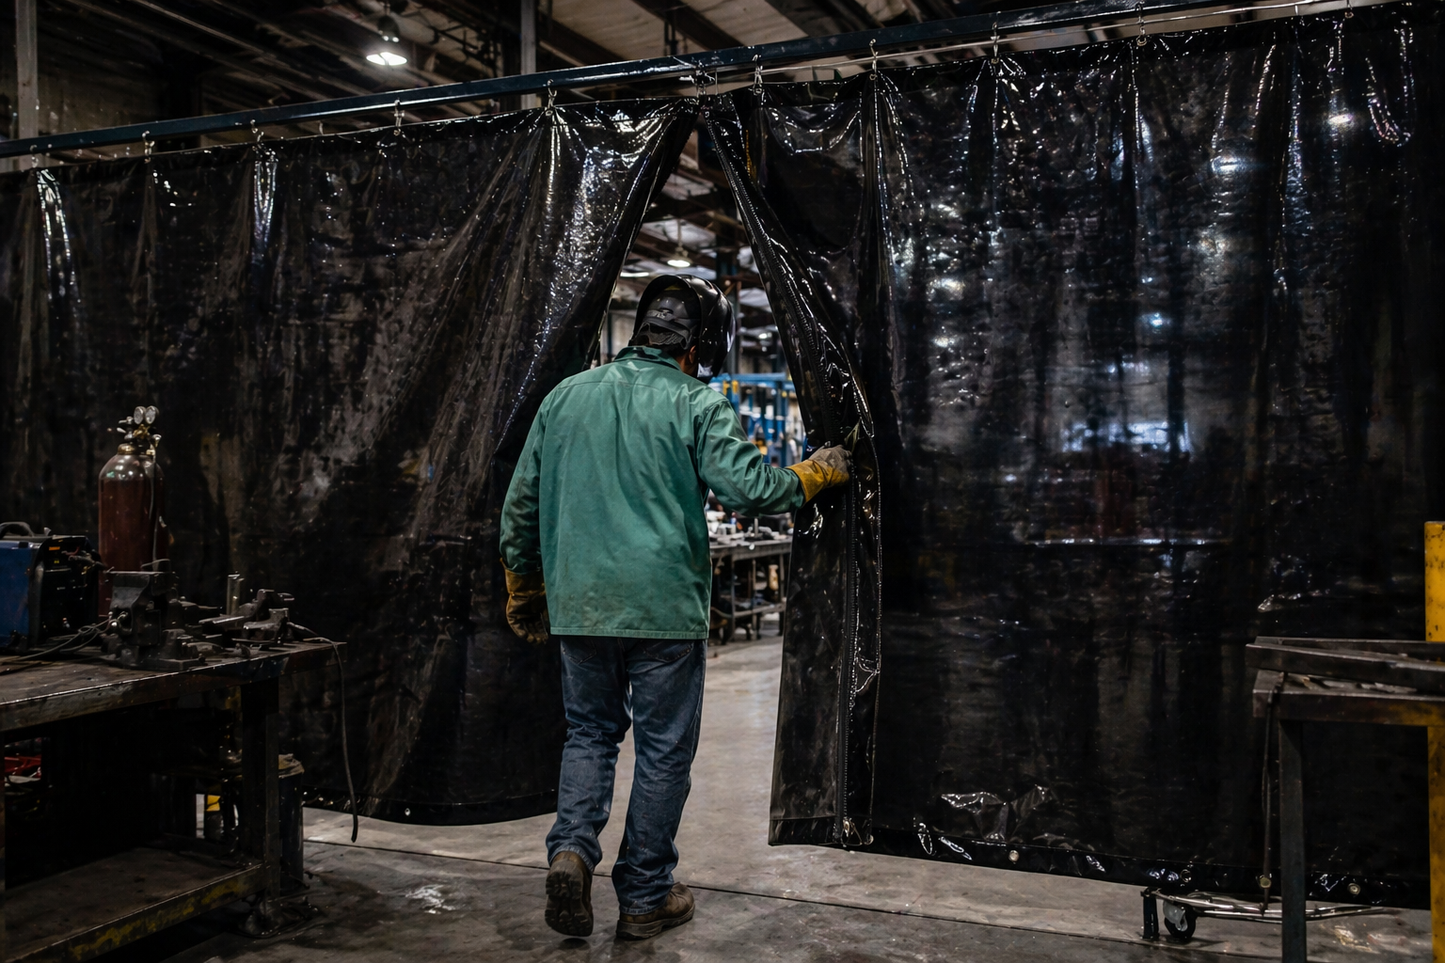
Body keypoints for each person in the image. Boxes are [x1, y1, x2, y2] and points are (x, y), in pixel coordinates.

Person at [498, 275, 851, 941]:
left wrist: (524, 587)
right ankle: (643, 897)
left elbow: (519, 508)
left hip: (581, 607)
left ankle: (570, 853)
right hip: (662, 610)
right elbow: (751, 490)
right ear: (699, 346)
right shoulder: (695, 402)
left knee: (589, 734)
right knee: (661, 752)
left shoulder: (565, 397)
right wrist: (815, 473)